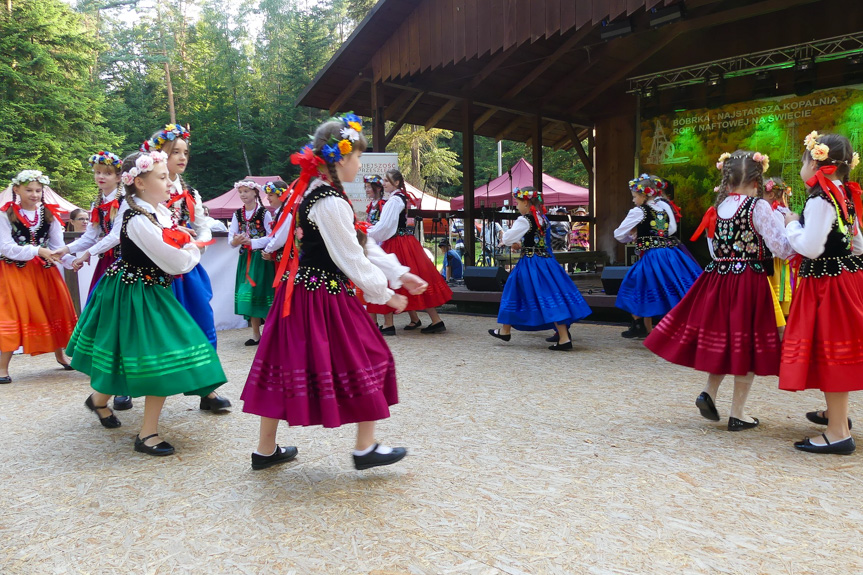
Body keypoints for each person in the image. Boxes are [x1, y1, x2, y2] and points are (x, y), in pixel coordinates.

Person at [240, 114, 428, 471]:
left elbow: (360, 242)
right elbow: (351, 256)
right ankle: (364, 447)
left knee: (283, 367)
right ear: (340, 158)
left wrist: (400, 274)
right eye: (357, 155)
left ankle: (266, 451)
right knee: (371, 357)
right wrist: (384, 293)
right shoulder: (328, 200)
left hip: (304, 294)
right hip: (321, 296)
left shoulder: (320, 193)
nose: (360, 162)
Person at [67, 151, 227, 456]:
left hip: (146, 289)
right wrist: (195, 245)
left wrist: (183, 235)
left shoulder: (156, 211)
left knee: (131, 354)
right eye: (162, 177)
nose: (169, 182)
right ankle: (147, 435)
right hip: (135, 293)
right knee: (157, 359)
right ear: (139, 182)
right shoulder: (137, 218)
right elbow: (177, 263)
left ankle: (99, 401)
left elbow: (172, 236)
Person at [644, 151, 794, 432]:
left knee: (727, 340)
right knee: (745, 343)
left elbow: (714, 249)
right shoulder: (757, 207)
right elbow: (782, 249)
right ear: (756, 179)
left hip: (718, 278)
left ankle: (709, 393)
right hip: (749, 280)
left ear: (727, 180)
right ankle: (739, 413)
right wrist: (791, 225)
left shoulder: (720, 207)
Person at [779, 132, 863, 454]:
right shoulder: (844, 194)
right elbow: (858, 245)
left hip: (827, 287)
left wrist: (791, 224)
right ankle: (835, 415)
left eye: (803, 161)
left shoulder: (819, 199)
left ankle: (838, 431)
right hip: (847, 280)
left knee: (832, 354)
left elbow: (812, 248)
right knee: (839, 352)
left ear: (815, 161)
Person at [488, 187, 592, 351]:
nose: (517, 207)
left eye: (518, 203)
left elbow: (507, 238)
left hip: (531, 264)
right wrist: (522, 244)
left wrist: (514, 241)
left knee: (518, 291)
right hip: (545, 261)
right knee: (546, 295)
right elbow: (538, 241)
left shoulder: (524, 220)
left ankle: (563, 338)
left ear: (525, 202)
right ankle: (505, 330)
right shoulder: (542, 218)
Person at [0, 170, 77, 384]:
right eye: (29, 190)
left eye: (38, 190)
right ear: (16, 190)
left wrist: (72, 261)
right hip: (16, 271)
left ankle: (61, 355)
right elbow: (6, 248)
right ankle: (2, 367)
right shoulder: (5, 215)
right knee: (15, 314)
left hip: (44, 271)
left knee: (54, 308)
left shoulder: (49, 215)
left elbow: (57, 247)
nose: (34, 194)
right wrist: (37, 251)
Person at [613, 174, 702, 338]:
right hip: (670, 253)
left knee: (635, 285)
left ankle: (643, 325)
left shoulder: (639, 211)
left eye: (634, 197)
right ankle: (645, 327)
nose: (633, 200)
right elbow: (670, 230)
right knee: (667, 288)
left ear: (643, 195)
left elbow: (619, 234)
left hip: (653, 256)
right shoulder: (664, 207)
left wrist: (632, 236)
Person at [367, 168, 452, 335]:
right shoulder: (398, 198)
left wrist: (368, 233)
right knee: (415, 279)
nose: (383, 183)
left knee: (388, 280)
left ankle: (388, 324)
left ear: (396, 182)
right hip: (406, 242)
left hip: (397, 243)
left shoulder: (393, 201)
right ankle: (434, 320)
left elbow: (386, 227)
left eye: (386, 180)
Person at [54, 151, 124, 297]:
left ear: (118, 177)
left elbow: (116, 236)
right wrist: (66, 249)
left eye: (107, 173)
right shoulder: (98, 204)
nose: (101, 176)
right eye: (98, 172)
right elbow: (90, 236)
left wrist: (88, 253)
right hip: (107, 260)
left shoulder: (126, 201)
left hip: (126, 261)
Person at [229, 180, 275, 346]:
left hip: (260, 259)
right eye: (240, 191)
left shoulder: (264, 213)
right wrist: (236, 240)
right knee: (248, 296)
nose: (243, 194)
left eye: (246, 191)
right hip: (245, 259)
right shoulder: (237, 214)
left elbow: (271, 236)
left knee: (262, 293)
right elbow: (231, 237)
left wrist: (253, 242)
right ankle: (256, 334)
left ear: (255, 193)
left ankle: (270, 334)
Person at [762, 177, 794, 327]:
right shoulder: (774, 211)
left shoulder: (777, 212)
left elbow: (782, 235)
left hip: (778, 258)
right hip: (776, 258)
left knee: (778, 295)